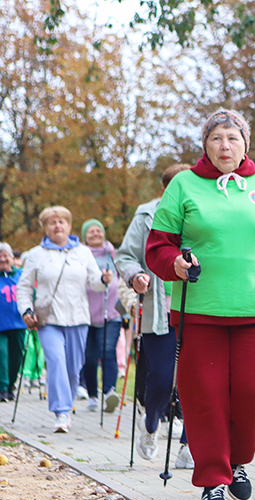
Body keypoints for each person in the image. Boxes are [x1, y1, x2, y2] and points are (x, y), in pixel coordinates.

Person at [146, 110, 255, 500]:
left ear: (246, 143)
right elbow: (158, 246)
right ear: (205, 144)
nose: (225, 146)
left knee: (252, 395)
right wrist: (176, 264)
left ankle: (238, 462)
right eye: (216, 138)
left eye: (233, 138)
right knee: (205, 398)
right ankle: (212, 479)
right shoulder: (184, 185)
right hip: (200, 311)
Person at [116, 163, 193, 470]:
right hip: (159, 310)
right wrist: (135, 275)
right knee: (160, 379)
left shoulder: (207, 212)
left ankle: (189, 444)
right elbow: (126, 255)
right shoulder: (147, 215)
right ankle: (150, 425)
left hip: (199, 308)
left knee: (197, 381)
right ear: (165, 190)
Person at [17, 206, 112, 433]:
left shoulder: (82, 252)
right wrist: (26, 310)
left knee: (72, 368)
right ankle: (61, 411)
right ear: (45, 228)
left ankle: (66, 406)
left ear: (69, 226)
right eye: (52, 222)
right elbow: (24, 287)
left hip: (78, 318)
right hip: (48, 320)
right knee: (57, 361)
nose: (57, 226)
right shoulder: (35, 255)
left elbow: (95, 283)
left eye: (61, 222)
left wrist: (104, 278)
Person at [80, 219, 122, 413]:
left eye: (98, 230)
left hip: (111, 313)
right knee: (89, 358)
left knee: (108, 351)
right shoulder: (80, 255)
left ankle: (109, 392)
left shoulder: (113, 254)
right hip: (86, 315)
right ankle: (92, 395)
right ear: (85, 236)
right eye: (91, 231)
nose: (95, 234)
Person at [0, 243, 27, 402]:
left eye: (6, 255)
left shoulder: (21, 275)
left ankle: (10, 385)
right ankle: (2, 388)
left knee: (16, 356)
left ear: (11, 258)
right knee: (1, 355)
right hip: (1, 324)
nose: (3, 259)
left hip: (18, 323)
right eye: (0, 256)